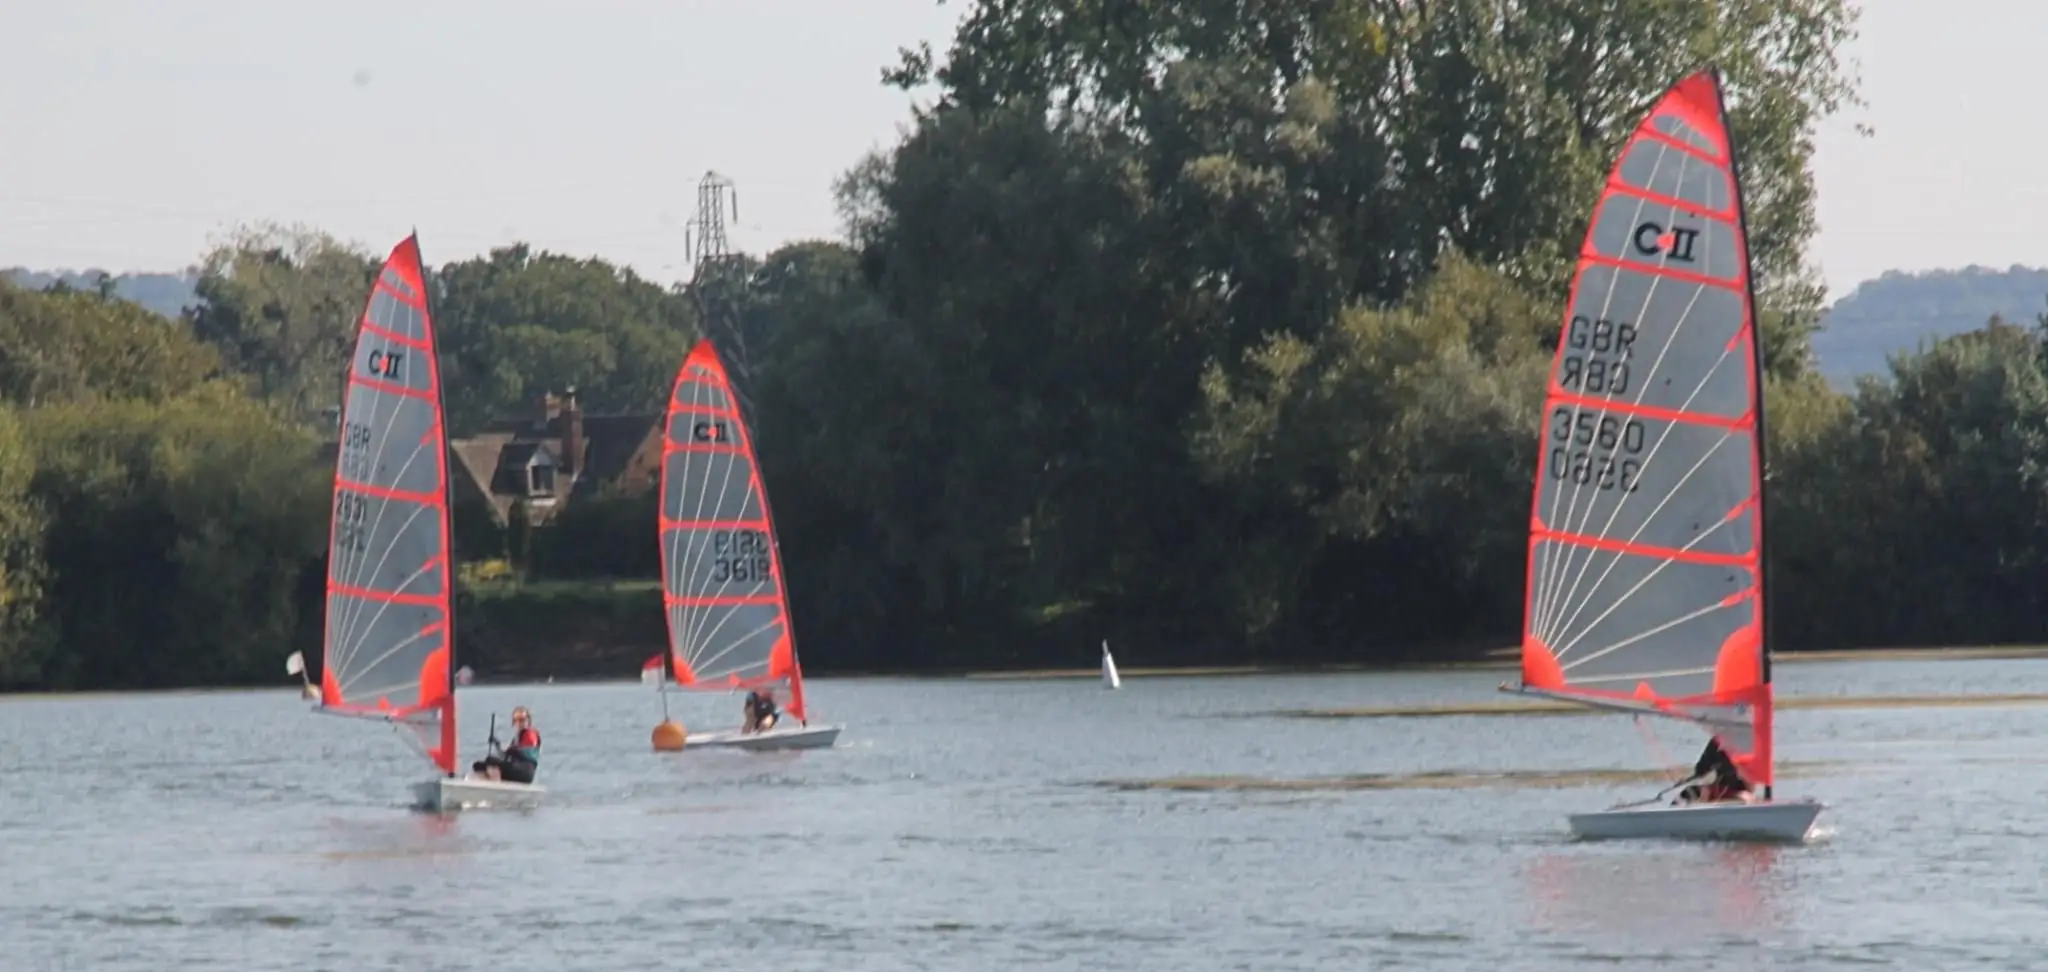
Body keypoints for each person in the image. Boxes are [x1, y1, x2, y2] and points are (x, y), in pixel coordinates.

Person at [1675, 736, 1755, 805]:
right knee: (1688, 794)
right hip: (1717, 791)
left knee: (1747, 797)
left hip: (1735, 794)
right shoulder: (1718, 741)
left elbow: (1750, 782)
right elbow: (1701, 771)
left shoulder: (1748, 742)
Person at [472, 706, 541, 784]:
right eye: (516, 720)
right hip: (516, 767)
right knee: (479, 766)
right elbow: (505, 755)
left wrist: (513, 750)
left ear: (528, 720)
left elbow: (528, 752)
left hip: (525, 771)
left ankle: (496, 785)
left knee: (491, 760)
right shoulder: (517, 739)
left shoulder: (530, 734)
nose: (519, 723)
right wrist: (496, 743)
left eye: (522, 720)